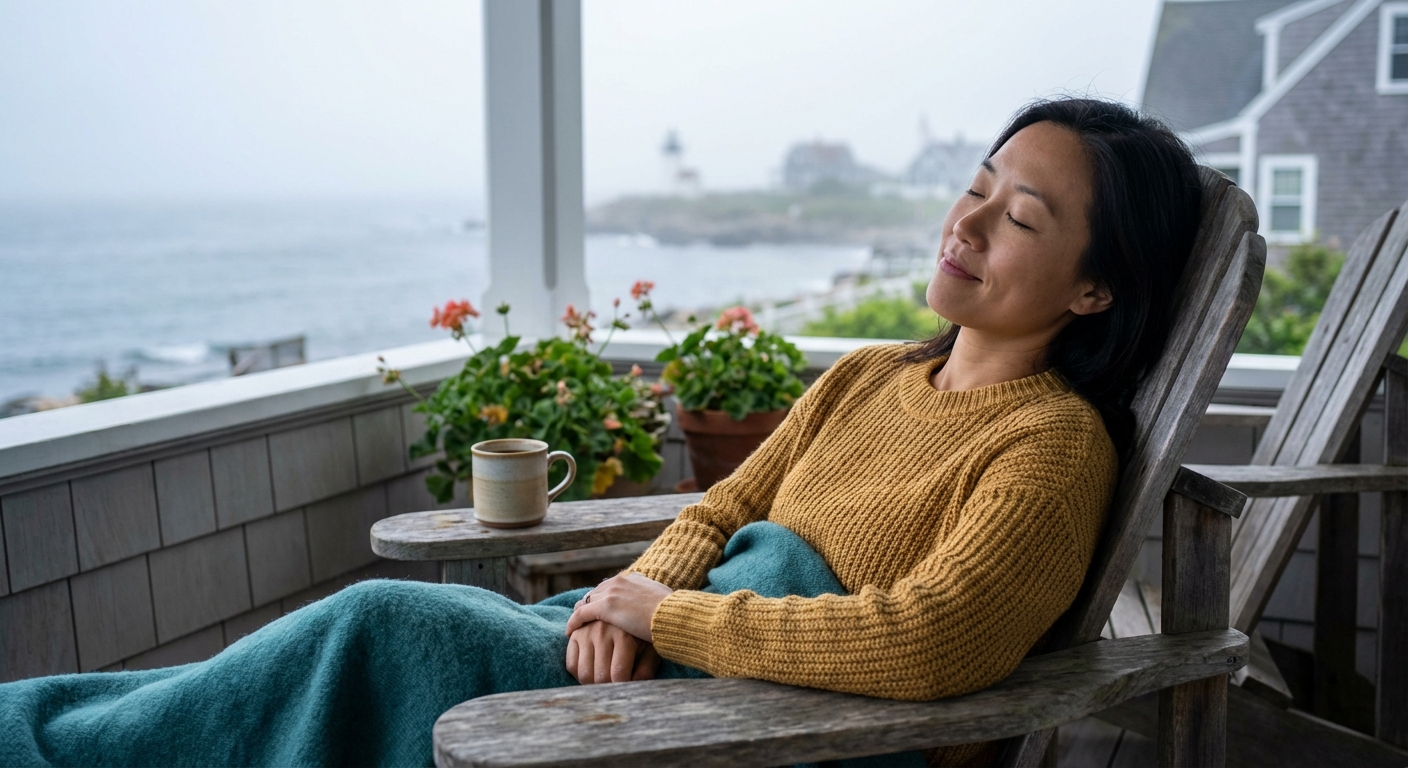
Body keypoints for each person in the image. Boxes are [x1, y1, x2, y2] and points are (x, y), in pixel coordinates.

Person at [0, 97, 1202, 768]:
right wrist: (621, 596)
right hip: (668, 661)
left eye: (1023, 217)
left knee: (371, 625)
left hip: (769, 728)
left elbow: (936, 641)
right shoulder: (879, 375)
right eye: (979, 184)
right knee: (351, 640)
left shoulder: (1048, 448)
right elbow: (728, 507)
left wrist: (663, 616)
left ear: (1095, 288)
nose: (970, 221)